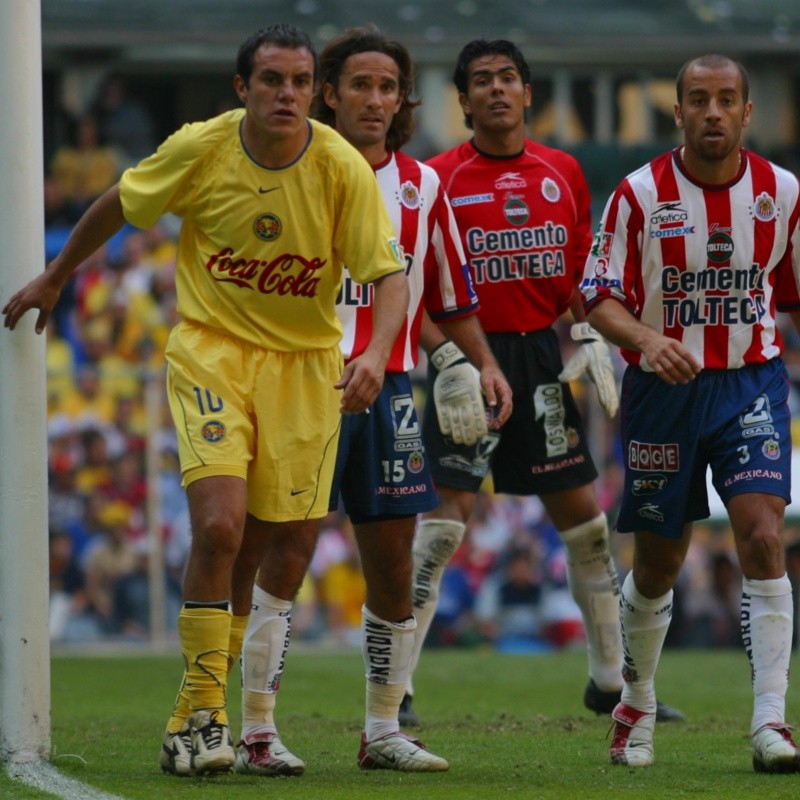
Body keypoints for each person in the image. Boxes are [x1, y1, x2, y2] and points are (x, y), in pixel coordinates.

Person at [3, 23, 410, 778]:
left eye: (298, 81)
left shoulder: (340, 168)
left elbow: (388, 275)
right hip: (212, 354)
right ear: (243, 88)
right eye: (271, 81)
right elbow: (120, 203)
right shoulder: (201, 147)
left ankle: (191, 724)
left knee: (268, 550)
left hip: (304, 369)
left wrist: (377, 353)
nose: (286, 93)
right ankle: (207, 712)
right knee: (219, 528)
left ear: (312, 90)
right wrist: (56, 276)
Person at [229, 25, 512, 776]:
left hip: (387, 391)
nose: (376, 100)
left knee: (392, 564)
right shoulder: (293, 167)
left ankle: (382, 729)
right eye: (360, 85)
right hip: (304, 384)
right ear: (328, 92)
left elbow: (449, 297)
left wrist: (483, 363)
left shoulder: (423, 188)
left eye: (388, 88)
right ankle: (257, 728)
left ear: (402, 101)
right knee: (287, 553)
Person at [401, 37, 684, 728]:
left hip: (539, 357)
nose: (496, 90)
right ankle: (395, 688)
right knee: (443, 526)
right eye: (481, 82)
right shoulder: (436, 178)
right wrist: (447, 361)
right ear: (461, 100)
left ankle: (608, 684)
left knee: (587, 526)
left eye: (508, 79)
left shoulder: (562, 170)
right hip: (467, 361)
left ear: (529, 94)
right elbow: (410, 286)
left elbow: (583, 275)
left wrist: (588, 331)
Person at [581, 54, 800, 771]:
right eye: (698, 99)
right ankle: (635, 705)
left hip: (750, 385)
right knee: (658, 563)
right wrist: (646, 339)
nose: (713, 111)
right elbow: (598, 295)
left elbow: (791, 292)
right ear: (676, 112)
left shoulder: (784, 193)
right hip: (661, 395)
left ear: (746, 112)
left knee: (764, 536)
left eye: (726, 99)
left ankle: (771, 723)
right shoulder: (639, 195)